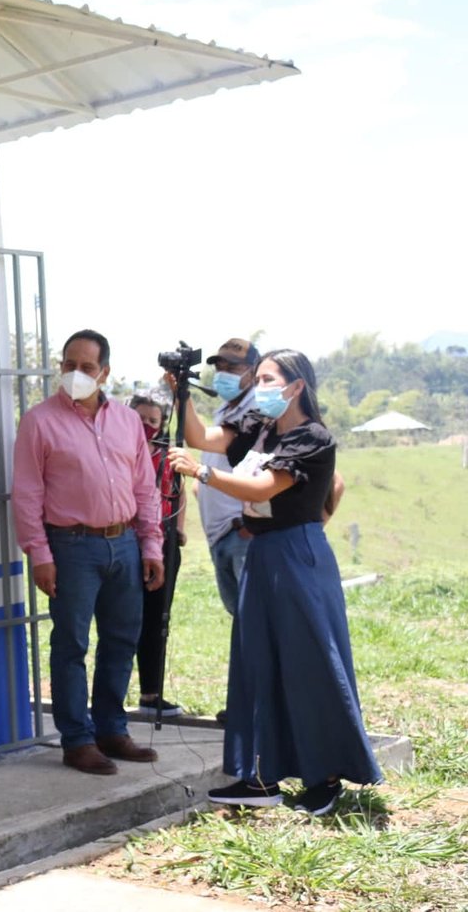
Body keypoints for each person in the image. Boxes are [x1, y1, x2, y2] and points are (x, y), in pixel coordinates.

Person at [169, 349, 378, 816]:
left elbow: (265, 489)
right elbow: (201, 435)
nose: (257, 386)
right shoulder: (258, 431)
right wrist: (181, 391)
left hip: (296, 555)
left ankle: (325, 776)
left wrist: (202, 472)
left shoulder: (312, 438)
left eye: (266, 378)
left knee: (309, 663)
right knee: (255, 662)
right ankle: (260, 775)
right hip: (263, 553)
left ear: (296, 386)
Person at [13, 329, 165, 776]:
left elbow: (145, 486)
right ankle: (77, 739)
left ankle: (112, 729)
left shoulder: (127, 421)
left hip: (124, 542)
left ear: (105, 373)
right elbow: (26, 493)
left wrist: (150, 542)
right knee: (72, 643)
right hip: (71, 546)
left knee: (121, 640)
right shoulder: (39, 421)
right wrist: (39, 554)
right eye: (68, 364)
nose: (75, 374)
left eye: (86, 367)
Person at [129, 394, 186, 719]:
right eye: (141, 419)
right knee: (125, 618)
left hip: (163, 541)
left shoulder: (167, 454)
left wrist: (178, 528)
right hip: (127, 538)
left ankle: (151, 691)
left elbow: (178, 494)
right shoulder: (117, 449)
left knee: (158, 617)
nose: (148, 427)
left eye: (154, 421)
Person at [197, 339, 261, 621]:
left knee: (254, 616)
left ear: (253, 371)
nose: (223, 374)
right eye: (220, 367)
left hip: (241, 533)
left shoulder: (258, 410)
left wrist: (248, 524)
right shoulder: (224, 409)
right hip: (222, 533)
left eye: (232, 368)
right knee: (241, 617)